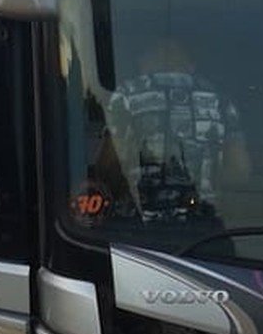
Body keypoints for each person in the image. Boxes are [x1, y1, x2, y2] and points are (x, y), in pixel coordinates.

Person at [102, 37, 250, 221]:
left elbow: (109, 168)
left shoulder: (126, 96)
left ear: (145, 60)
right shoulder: (221, 101)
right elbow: (240, 171)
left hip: (140, 228)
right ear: (191, 64)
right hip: (203, 227)